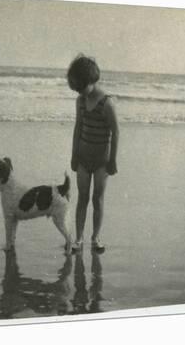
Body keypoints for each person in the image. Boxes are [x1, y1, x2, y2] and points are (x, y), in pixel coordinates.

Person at [66, 54, 119, 253]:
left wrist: (112, 160)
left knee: (97, 199)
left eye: (81, 87)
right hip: (83, 159)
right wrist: (73, 155)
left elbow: (116, 132)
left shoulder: (106, 103)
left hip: (101, 162)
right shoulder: (80, 101)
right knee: (82, 198)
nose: (79, 92)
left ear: (91, 80)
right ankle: (78, 239)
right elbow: (77, 128)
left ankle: (95, 237)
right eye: (76, 89)